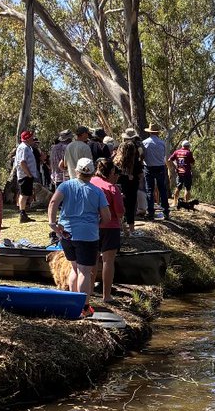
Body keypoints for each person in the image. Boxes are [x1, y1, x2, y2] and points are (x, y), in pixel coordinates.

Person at [48, 157, 110, 317]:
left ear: (77, 171)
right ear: (92, 173)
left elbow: (53, 202)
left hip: (67, 233)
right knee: (85, 272)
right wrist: (96, 224)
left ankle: (72, 303)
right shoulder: (97, 191)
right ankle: (84, 307)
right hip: (88, 236)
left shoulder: (66, 186)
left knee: (75, 268)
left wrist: (52, 223)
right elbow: (107, 217)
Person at [91, 158, 125, 303]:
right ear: (111, 172)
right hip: (110, 227)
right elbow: (119, 212)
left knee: (91, 259)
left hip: (91, 226)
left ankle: (90, 290)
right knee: (108, 261)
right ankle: (106, 295)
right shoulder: (112, 188)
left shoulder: (90, 182)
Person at [114, 129, 144, 230]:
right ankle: (131, 228)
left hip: (121, 179)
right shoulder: (135, 148)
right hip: (133, 180)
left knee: (121, 201)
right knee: (131, 203)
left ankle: (121, 227)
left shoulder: (120, 148)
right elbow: (139, 166)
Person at [142, 125, 170, 220]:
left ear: (149, 132)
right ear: (158, 132)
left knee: (149, 190)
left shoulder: (144, 143)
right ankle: (166, 211)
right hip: (160, 167)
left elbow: (143, 156)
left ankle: (150, 212)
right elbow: (163, 155)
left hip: (148, 168)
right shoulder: (162, 143)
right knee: (162, 189)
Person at [12, 130, 39, 223]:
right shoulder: (23, 148)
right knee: (23, 194)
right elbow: (22, 162)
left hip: (27, 175)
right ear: (27, 138)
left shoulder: (28, 148)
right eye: (31, 137)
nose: (33, 139)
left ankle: (23, 212)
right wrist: (28, 174)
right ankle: (22, 213)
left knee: (26, 193)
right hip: (24, 175)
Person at [168, 138, 195, 209]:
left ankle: (174, 202)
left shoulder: (177, 152)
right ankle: (186, 203)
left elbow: (169, 159)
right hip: (187, 173)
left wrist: (176, 166)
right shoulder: (188, 153)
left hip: (179, 173)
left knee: (178, 187)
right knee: (187, 188)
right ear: (188, 146)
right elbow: (193, 162)